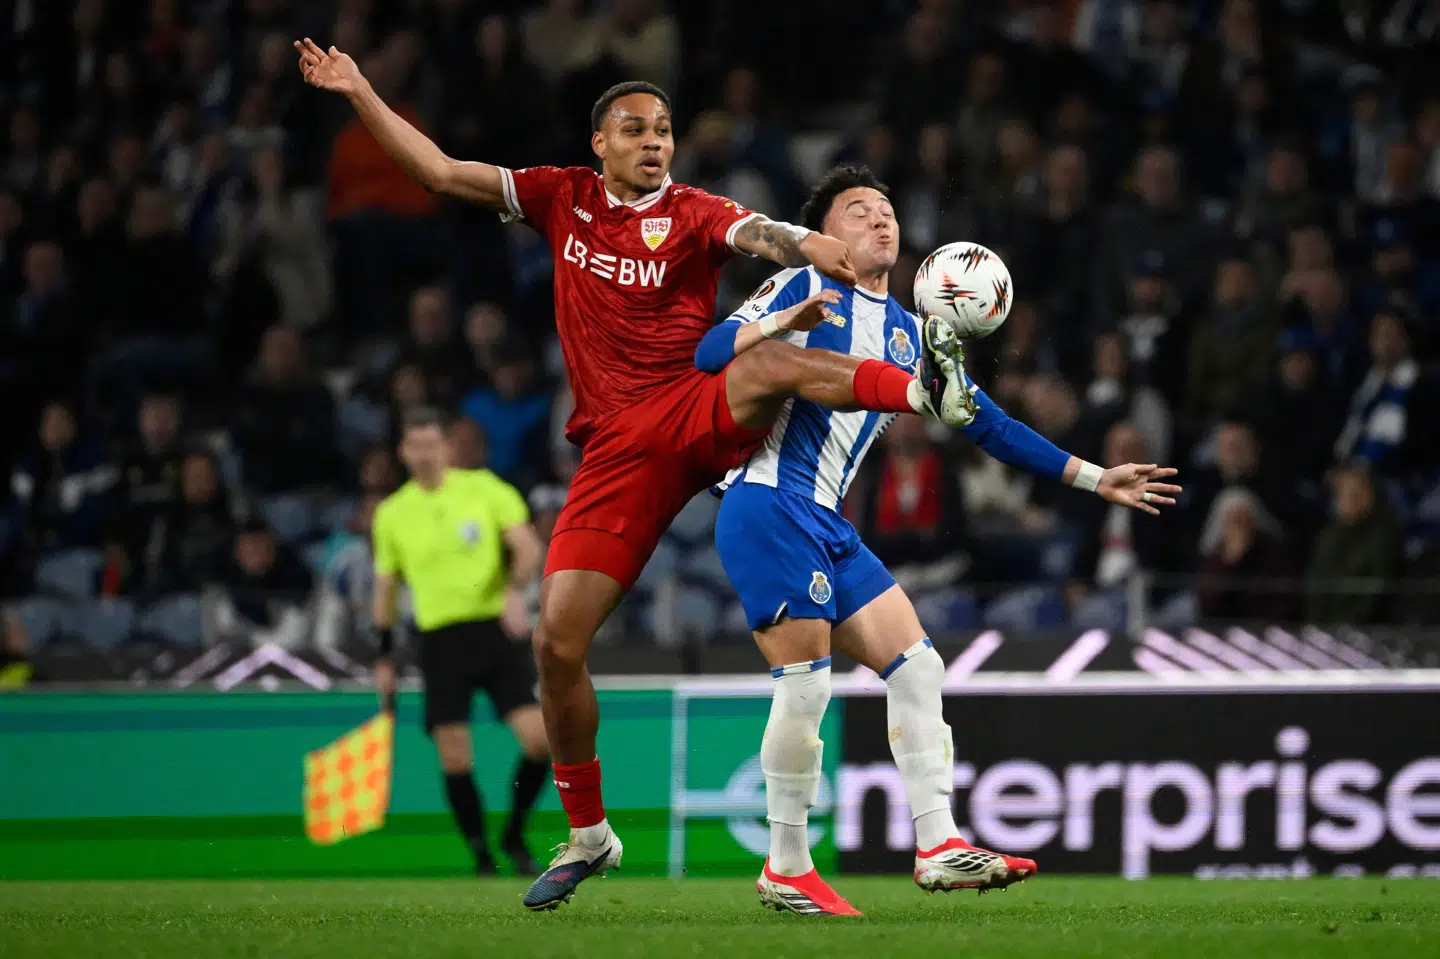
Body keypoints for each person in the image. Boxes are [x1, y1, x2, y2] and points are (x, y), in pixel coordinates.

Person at [294, 42, 980, 909]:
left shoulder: (692, 210)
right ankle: (590, 833)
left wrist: (817, 247)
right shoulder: (559, 198)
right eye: (635, 129)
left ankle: (918, 389)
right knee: (556, 642)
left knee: (768, 363)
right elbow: (436, 170)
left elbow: (761, 233)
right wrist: (359, 88)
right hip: (619, 448)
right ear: (599, 144)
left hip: (694, 402)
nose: (654, 142)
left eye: (662, 129)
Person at [699, 165, 1183, 915]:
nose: (879, 221)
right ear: (825, 236)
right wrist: (773, 329)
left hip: (827, 518)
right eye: (858, 212)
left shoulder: (905, 331)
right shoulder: (801, 287)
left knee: (919, 668)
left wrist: (1097, 477)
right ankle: (786, 863)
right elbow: (708, 354)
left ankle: (938, 845)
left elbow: (985, 422)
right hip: (767, 502)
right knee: (807, 685)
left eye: (886, 210)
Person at [370, 407, 550, 877]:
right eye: (417, 446)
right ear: (403, 453)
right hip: (439, 641)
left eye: (434, 444)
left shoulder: (486, 490)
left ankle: (513, 832)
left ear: (447, 447)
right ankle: (480, 853)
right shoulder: (392, 514)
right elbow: (386, 588)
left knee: (539, 741)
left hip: (494, 631)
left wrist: (514, 592)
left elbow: (529, 548)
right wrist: (384, 655)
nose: (426, 454)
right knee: (454, 752)